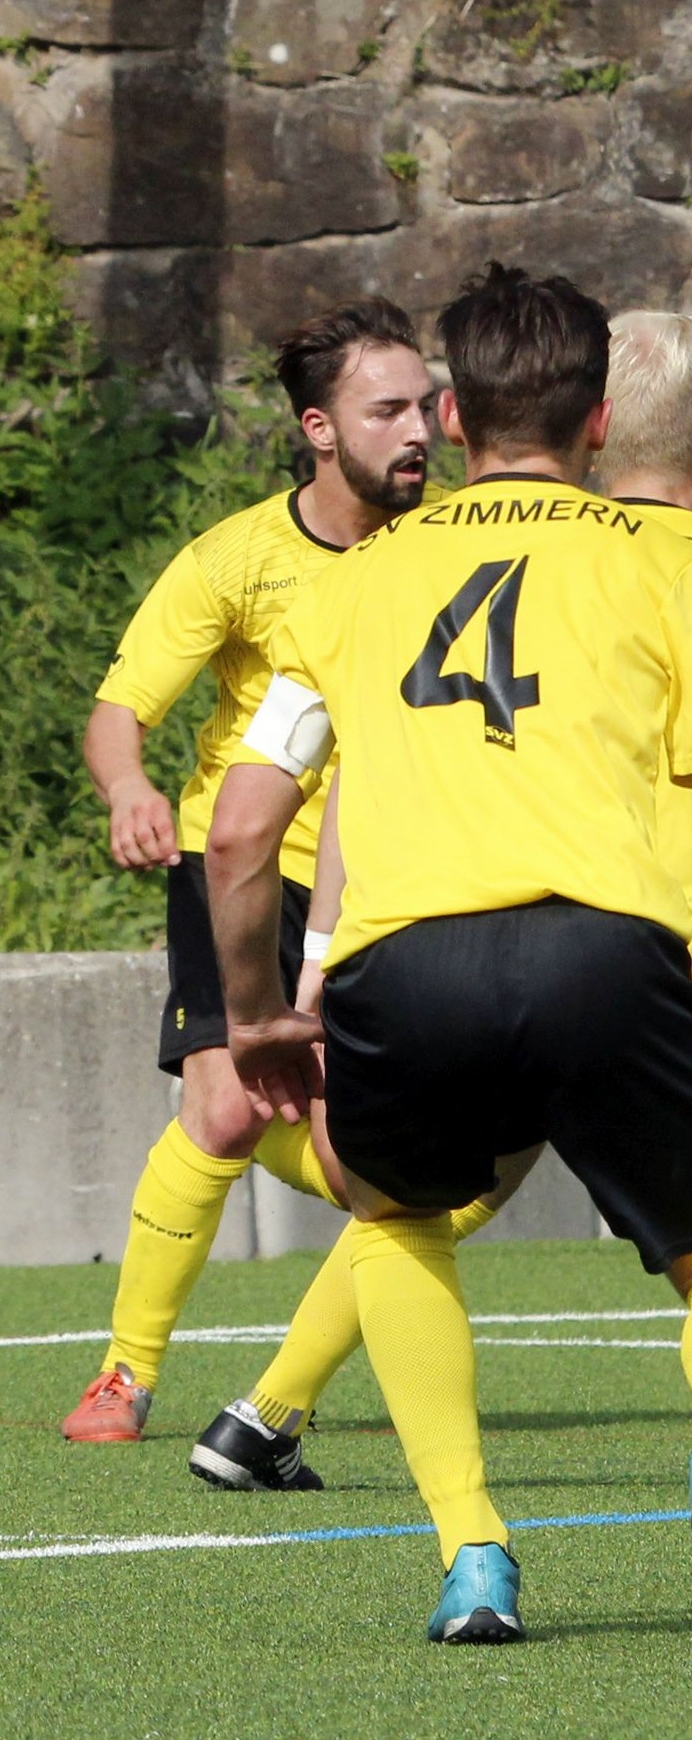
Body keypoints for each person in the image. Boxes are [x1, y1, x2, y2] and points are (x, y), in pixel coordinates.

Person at [205, 263, 692, 1644]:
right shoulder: (669, 568)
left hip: (402, 969)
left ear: (455, 415)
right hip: (607, 955)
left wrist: (261, 1010)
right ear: (597, 421)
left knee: (397, 1224)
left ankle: (473, 1553)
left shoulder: (351, 584)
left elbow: (242, 833)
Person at [60, 299, 436, 1448]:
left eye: (429, 404)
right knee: (221, 1110)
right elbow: (119, 710)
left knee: (394, 1163)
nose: (422, 428)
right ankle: (126, 1374)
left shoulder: (455, 546)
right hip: (246, 870)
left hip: (399, 883)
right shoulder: (236, 557)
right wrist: (129, 788)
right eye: (390, 410)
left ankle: (286, 1394)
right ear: (320, 429)